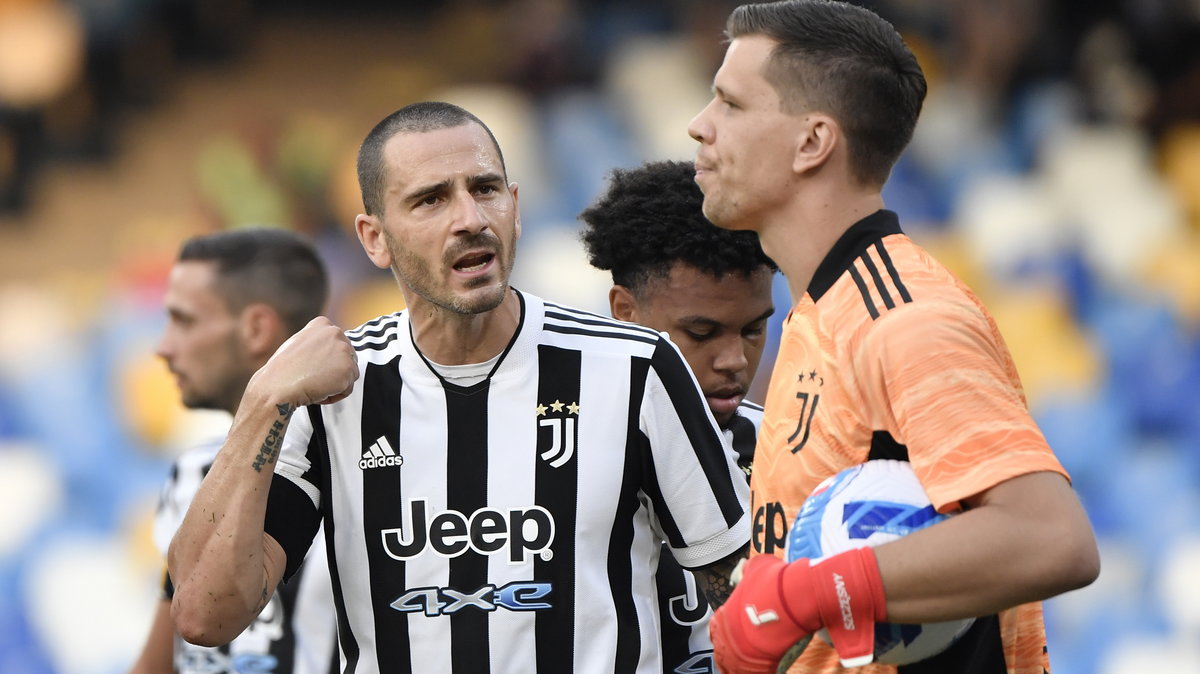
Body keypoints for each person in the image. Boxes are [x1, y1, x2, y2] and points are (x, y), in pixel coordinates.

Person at [166, 101, 751, 674]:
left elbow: (744, 591)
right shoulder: (330, 397)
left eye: (486, 189)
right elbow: (204, 615)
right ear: (375, 238)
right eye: (431, 200)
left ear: (516, 208)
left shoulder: (634, 368)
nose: (470, 218)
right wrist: (263, 400)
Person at [686, 1, 1101, 672]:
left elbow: (1054, 539)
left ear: (812, 143)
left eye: (730, 104)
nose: (699, 126)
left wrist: (802, 594)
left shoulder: (904, 318)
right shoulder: (823, 310)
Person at [580, 158, 777, 673]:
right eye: (702, 333)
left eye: (755, 329)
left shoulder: (797, 451)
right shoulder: (562, 463)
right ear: (625, 312)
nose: (734, 360)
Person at [129, 228, 337, 674]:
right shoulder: (191, 471)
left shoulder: (354, 464)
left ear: (256, 329)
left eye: (184, 321)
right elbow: (161, 661)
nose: (162, 348)